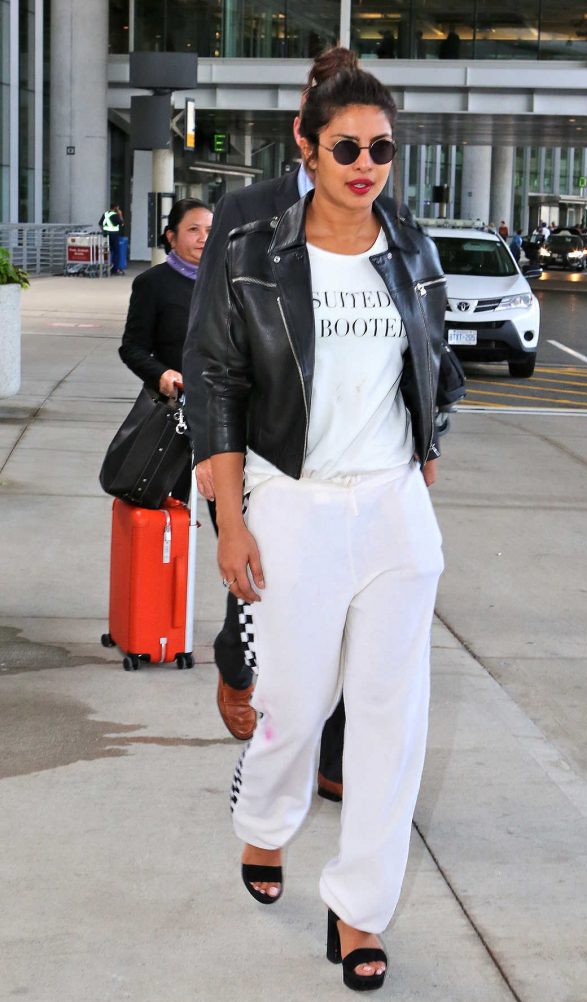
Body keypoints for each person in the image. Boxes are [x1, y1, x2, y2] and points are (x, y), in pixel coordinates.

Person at [199, 58, 445, 991]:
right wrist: (232, 521)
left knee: (390, 717)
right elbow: (218, 384)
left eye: (381, 148)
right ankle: (265, 823)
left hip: (391, 508)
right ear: (306, 146)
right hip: (292, 501)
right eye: (346, 146)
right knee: (295, 708)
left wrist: (427, 447)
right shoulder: (255, 249)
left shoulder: (410, 249)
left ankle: (358, 910)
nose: (365, 164)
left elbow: (434, 365)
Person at [184, 49, 384, 794]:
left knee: (343, 615)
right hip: (263, 446)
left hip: (355, 457)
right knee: (269, 598)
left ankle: (328, 758)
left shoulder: (382, 212)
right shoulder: (246, 211)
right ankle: (240, 667)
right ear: (304, 128)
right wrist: (211, 444)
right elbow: (209, 338)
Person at [119, 199, 212, 402]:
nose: (203, 238)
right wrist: (162, 374)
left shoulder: (232, 279)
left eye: (210, 230)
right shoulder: (152, 283)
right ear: (172, 237)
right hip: (181, 403)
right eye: (194, 229)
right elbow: (132, 348)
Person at [100, 204, 125, 276]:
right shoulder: (115, 215)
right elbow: (122, 224)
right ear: (115, 208)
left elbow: (100, 224)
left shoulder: (105, 214)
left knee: (106, 251)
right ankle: (115, 269)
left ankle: (105, 267)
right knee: (116, 252)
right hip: (114, 235)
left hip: (106, 235)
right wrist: (120, 214)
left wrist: (104, 231)